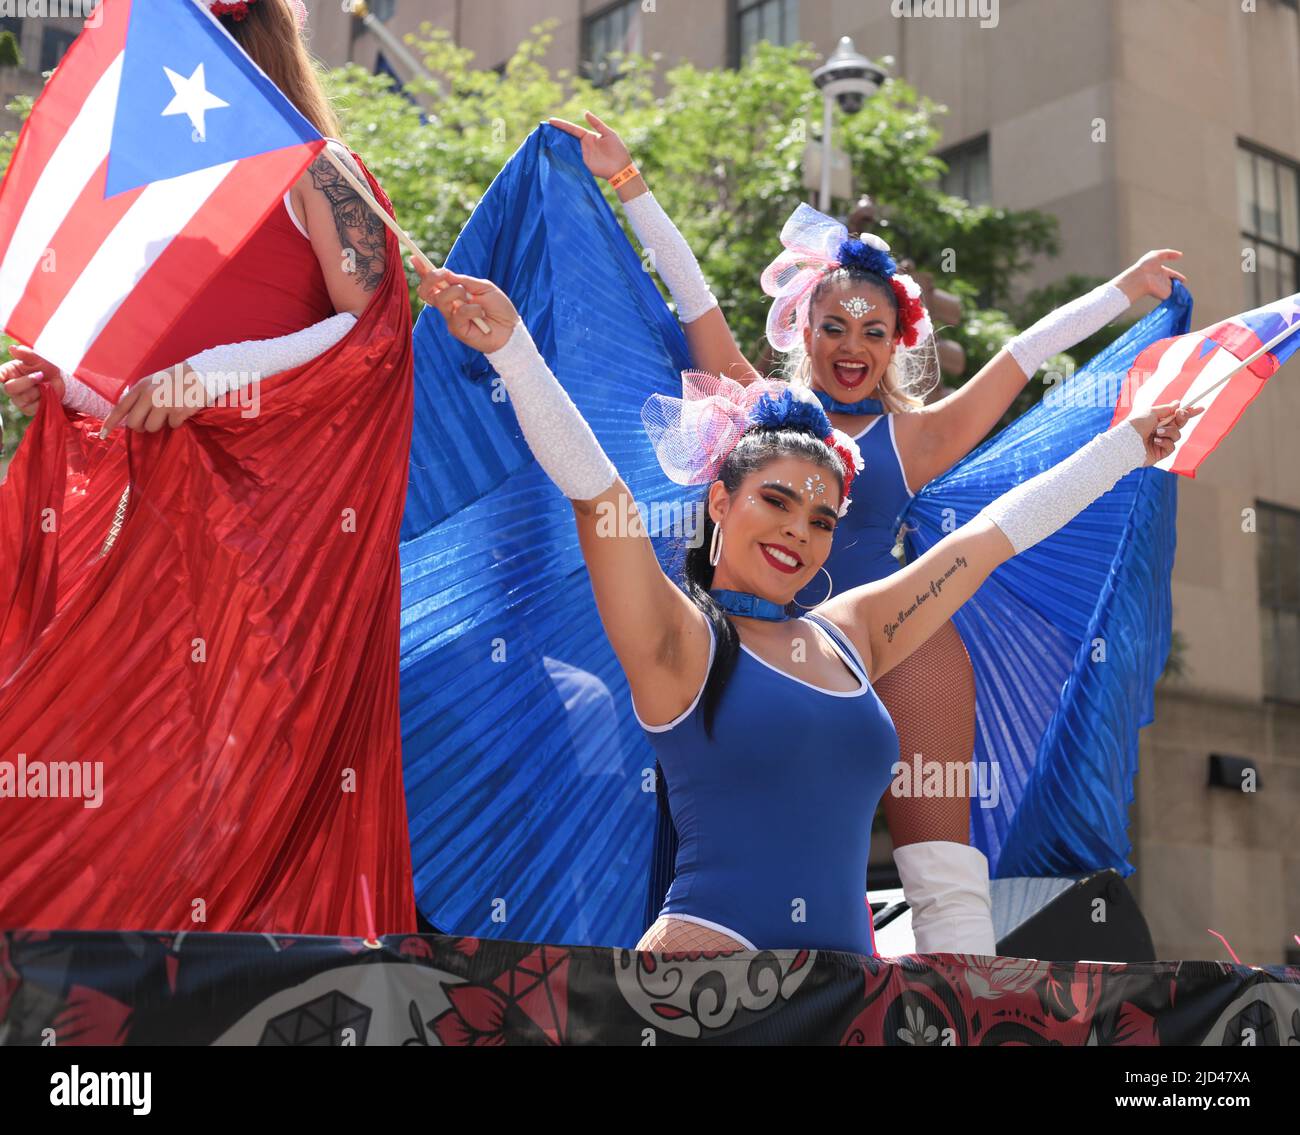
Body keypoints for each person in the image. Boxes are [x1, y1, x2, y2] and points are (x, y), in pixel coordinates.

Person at [415, 258, 1199, 956]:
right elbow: (598, 496)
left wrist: (1129, 444)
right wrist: (513, 349)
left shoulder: (852, 635)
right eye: (777, 501)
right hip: (705, 995)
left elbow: (990, 539)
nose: (799, 529)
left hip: (846, 1003)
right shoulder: (679, 641)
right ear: (719, 502)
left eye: (822, 518)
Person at [548, 110, 1188, 953]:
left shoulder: (917, 437)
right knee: (736, 839)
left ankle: (967, 1005)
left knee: (946, 882)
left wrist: (1122, 292)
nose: (854, 344)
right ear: (800, 332)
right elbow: (695, 297)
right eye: (835, 326)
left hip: (896, 635)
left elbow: (1022, 361)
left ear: (897, 345)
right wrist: (628, 183)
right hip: (764, 657)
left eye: (874, 331)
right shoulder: (761, 418)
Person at [0, 0, 416, 936]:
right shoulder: (180, 190)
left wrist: (214, 379)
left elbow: (380, 333)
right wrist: (72, 389)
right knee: (125, 755)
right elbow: (152, 381)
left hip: (278, 542)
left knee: (244, 769)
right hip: (163, 534)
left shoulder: (320, 167)